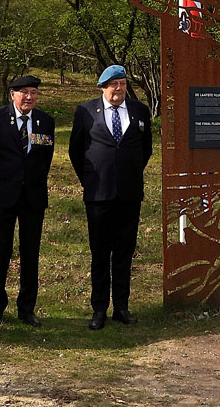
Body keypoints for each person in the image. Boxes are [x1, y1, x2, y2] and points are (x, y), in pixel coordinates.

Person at [68, 64, 153, 330]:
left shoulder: (139, 111)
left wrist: (128, 174)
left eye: (123, 84)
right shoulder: (85, 112)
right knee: (100, 253)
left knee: (124, 253)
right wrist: (91, 180)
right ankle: (99, 309)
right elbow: (75, 151)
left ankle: (122, 307)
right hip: (98, 195)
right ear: (103, 87)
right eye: (114, 84)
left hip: (129, 194)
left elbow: (146, 149)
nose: (119, 89)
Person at [0, 73, 56, 327]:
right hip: (1, 196)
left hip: (32, 198)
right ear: (13, 94)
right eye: (24, 93)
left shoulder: (45, 121)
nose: (29, 97)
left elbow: (46, 159)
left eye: (33, 92)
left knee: (30, 254)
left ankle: (26, 309)